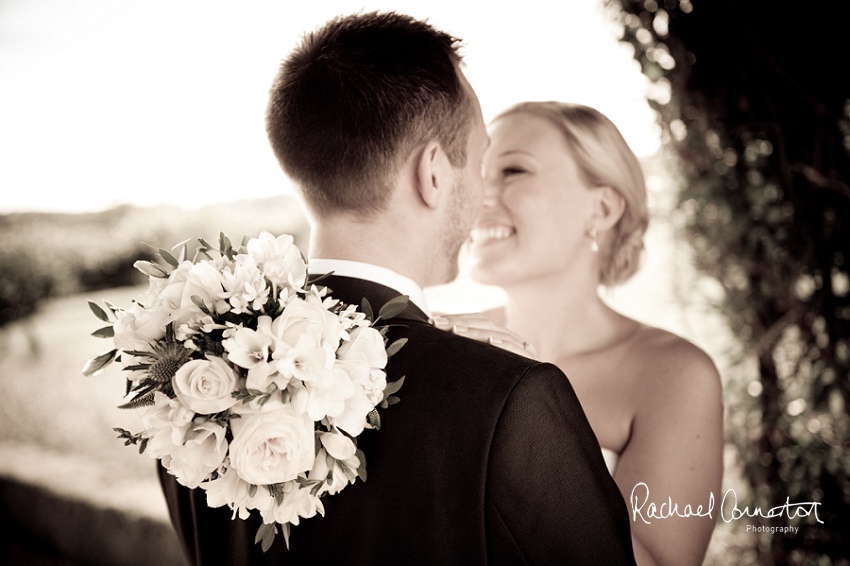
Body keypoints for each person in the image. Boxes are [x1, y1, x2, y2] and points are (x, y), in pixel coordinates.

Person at [157, 13, 637, 566]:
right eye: (480, 162)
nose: (484, 192)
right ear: (433, 173)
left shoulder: (189, 391)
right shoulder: (507, 395)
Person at [432, 101, 724, 566]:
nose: (477, 195)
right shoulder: (441, 345)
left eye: (512, 171)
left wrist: (530, 409)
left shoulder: (673, 375)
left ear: (602, 207)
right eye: (479, 173)